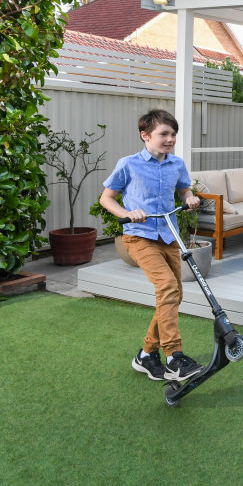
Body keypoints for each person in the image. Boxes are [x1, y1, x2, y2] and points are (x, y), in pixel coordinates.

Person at [99, 109, 204, 383]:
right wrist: (126, 213)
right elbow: (106, 199)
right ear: (145, 136)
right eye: (164, 134)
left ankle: (146, 354)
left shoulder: (177, 164)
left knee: (175, 292)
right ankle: (174, 357)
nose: (170, 139)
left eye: (173, 134)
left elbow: (184, 189)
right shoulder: (129, 164)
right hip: (138, 236)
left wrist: (190, 197)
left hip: (168, 236)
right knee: (167, 287)